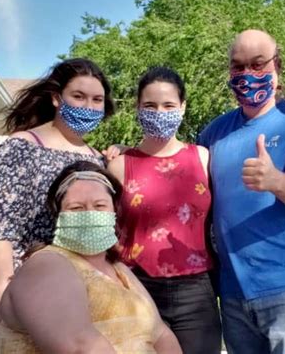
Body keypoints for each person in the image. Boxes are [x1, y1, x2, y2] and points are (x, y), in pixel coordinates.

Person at [197, 29, 285, 354]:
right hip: (233, 293)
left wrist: (275, 180)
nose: (247, 75)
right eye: (238, 66)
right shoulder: (214, 132)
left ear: (277, 65)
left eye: (258, 64)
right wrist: (126, 152)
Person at [0, 58, 114, 352]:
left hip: (81, 293)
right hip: (26, 289)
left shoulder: (97, 158)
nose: (88, 106)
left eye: (97, 100)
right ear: (57, 98)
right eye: (78, 96)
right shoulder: (23, 146)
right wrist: (4, 290)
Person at [0, 160, 182, 353]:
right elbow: (80, 346)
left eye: (100, 205)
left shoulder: (119, 269)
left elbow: (160, 333)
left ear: (114, 211)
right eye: (76, 208)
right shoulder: (46, 265)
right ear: (58, 214)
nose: (90, 214)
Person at [107, 66, 221, 354]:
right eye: (150, 106)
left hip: (196, 291)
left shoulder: (203, 158)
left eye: (168, 105)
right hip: (137, 288)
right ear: (137, 107)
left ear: (182, 107)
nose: (159, 112)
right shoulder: (119, 165)